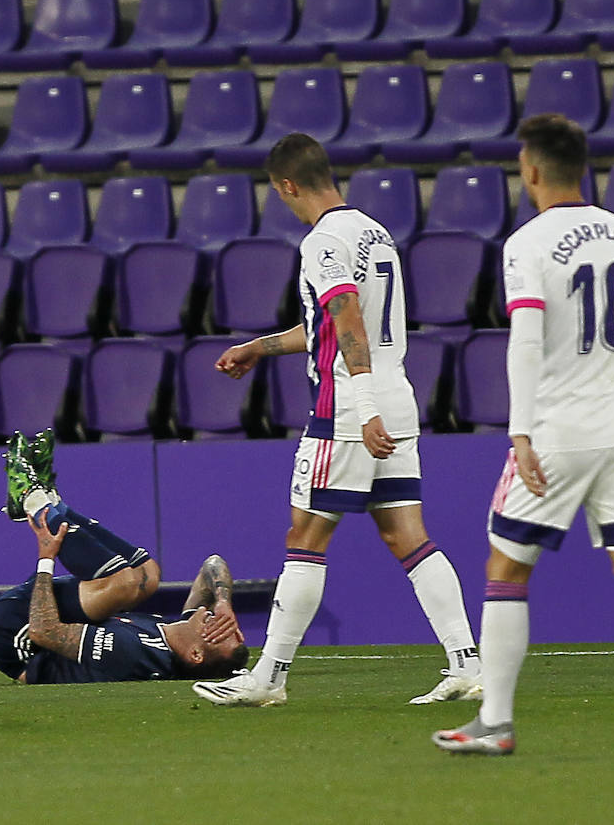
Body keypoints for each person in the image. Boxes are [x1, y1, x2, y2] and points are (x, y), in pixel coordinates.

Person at [194, 133, 482, 708]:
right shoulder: (374, 233)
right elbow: (331, 324)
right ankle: (467, 664)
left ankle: (269, 678)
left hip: (349, 406)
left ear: (287, 186)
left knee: (305, 538)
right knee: (407, 535)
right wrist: (261, 346)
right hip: (395, 395)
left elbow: (347, 320)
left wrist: (365, 407)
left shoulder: (322, 241)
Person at [433, 115, 614, 756]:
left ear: (531, 170)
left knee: (505, 567)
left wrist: (520, 432)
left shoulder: (528, 243)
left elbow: (529, 338)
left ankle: (498, 720)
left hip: (560, 428)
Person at [0, 434, 248, 684]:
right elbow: (212, 565)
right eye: (234, 629)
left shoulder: (137, 655)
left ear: (196, 655)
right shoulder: (175, 634)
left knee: (124, 583)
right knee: (148, 574)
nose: (222, 623)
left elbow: (44, 632)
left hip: (14, 633)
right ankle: (51, 501)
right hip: (41, 614)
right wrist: (224, 601)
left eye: (222, 634)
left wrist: (46, 560)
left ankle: (32, 501)